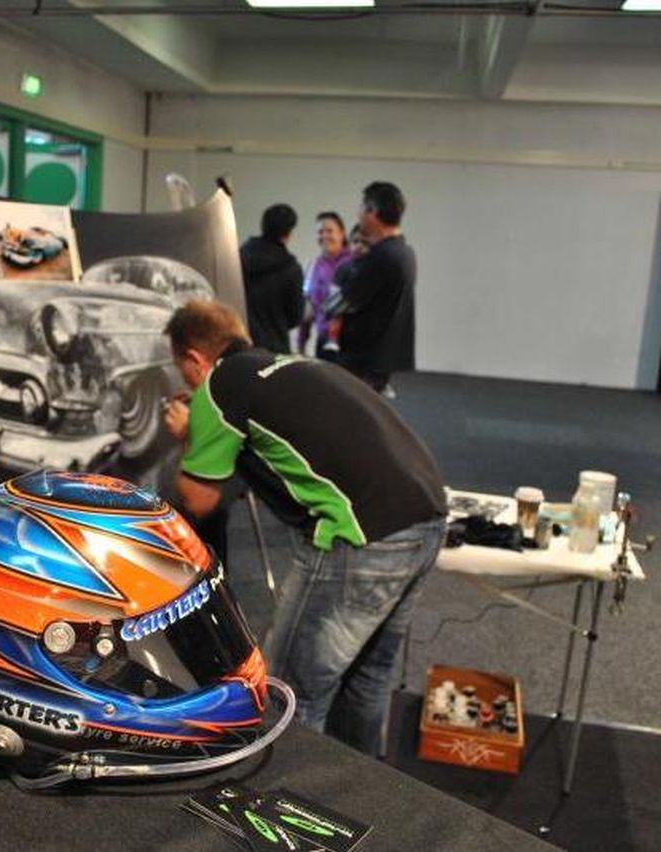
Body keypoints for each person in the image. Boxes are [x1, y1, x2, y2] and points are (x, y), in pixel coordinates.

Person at [162, 300, 446, 755]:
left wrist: (188, 434)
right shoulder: (294, 364)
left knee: (289, 691)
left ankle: (288, 786)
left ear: (195, 359)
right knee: (366, 679)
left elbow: (199, 500)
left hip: (361, 536)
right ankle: (367, 784)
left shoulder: (220, 385)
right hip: (427, 515)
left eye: (183, 370)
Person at [334, 182, 416, 394]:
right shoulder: (404, 251)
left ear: (373, 211)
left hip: (364, 358)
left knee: (351, 408)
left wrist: (325, 304)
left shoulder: (381, 256)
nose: (358, 214)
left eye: (361, 208)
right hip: (382, 355)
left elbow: (344, 301)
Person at [239, 204, 304, 354]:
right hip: (275, 347)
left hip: (241, 344)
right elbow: (295, 316)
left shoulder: (237, 258)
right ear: (288, 233)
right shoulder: (291, 269)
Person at [297, 211, 351, 360]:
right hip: (324, 343)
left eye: (329, 231)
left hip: (352, 343)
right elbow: (307, 310)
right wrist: (301, 346)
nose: (324, 236)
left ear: (342, 234)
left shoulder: (354, 262)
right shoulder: (313, 266)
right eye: (320, 232)